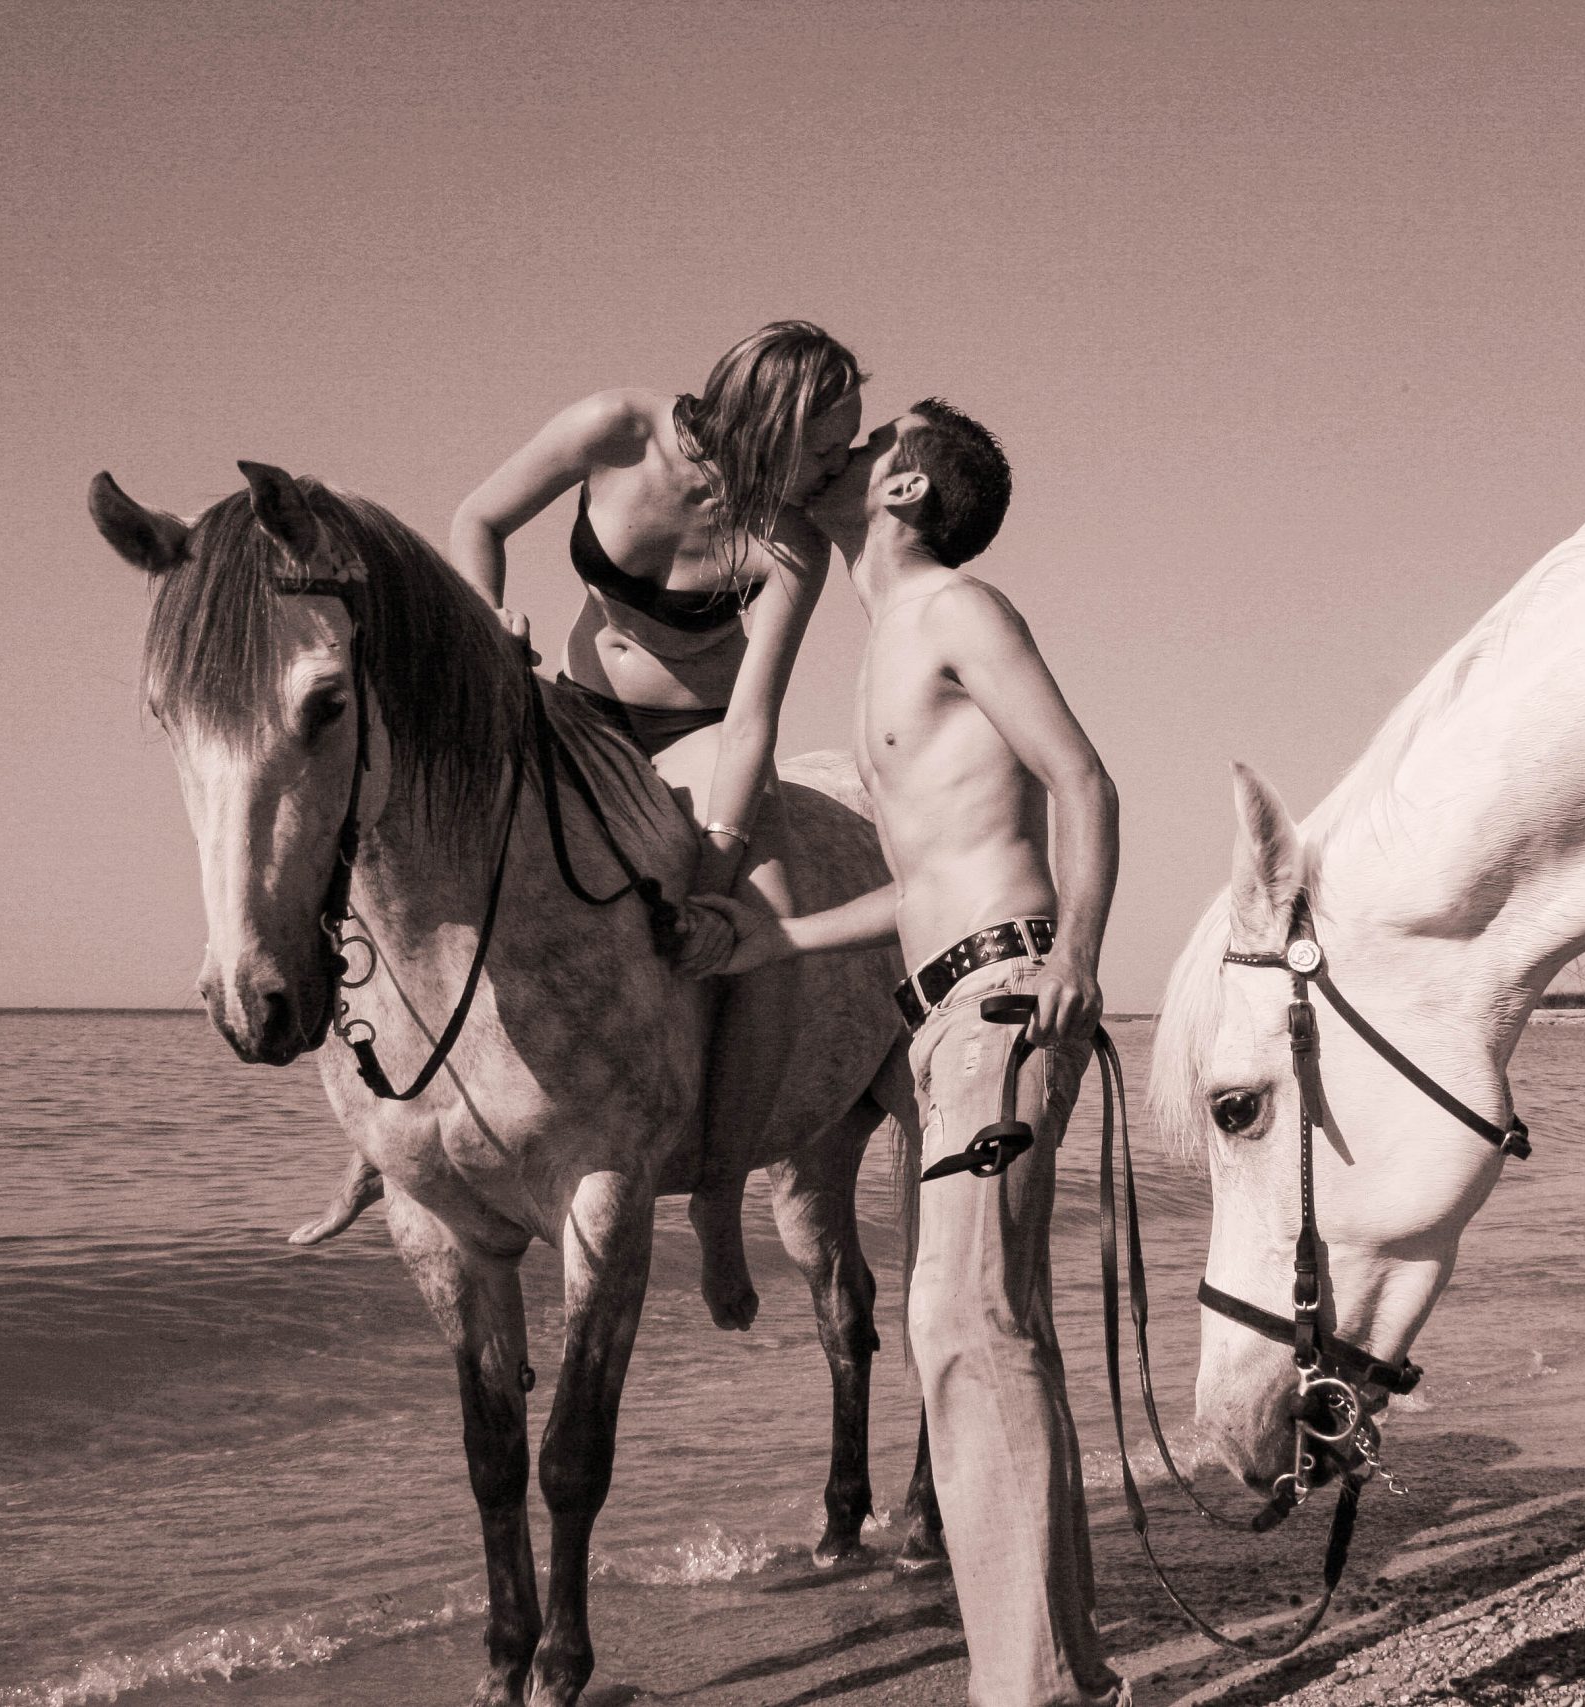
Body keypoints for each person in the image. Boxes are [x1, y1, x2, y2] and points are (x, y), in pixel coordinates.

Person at [290, 323, 864, 1332]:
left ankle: (723, 1186)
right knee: (417, 858)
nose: (837, 467)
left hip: (702, 737)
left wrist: (721, 870)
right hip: (568, 711)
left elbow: (756, 716)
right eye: (826, 446)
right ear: (771, 428)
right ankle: (393, 1129)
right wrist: (485, 622)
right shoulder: (615, 429)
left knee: (765, 935)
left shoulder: (791, 545)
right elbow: (478, 517)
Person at [706, 400, 1126, 1706]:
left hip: (1006, 994)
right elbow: (916, 880)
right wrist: (773, 942)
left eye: (864, 434)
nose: (833, 449)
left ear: (899, 480)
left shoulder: (958, 609)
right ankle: (1065, 1673)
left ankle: (1038, 1690)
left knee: (962, 1321)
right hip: (941, 1006)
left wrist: (1075, 957)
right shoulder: (886, 640)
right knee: (992, 1331)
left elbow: (1088, 781)